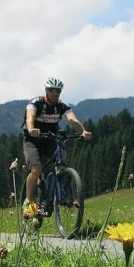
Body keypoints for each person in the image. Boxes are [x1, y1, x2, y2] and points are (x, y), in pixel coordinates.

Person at [22, 77, 91, 214]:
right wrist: (31, 129)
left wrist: (83, 131)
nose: (55, 93)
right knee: (36, 169)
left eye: (58, 91)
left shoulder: (62, 106)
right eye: (52, 90)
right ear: (46, 90)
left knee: (62, 164)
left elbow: (72, 119)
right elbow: (30, 117)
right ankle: (28, 201)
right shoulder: (36, 103)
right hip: (33, 139)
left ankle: (66, 197)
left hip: (51, 138)